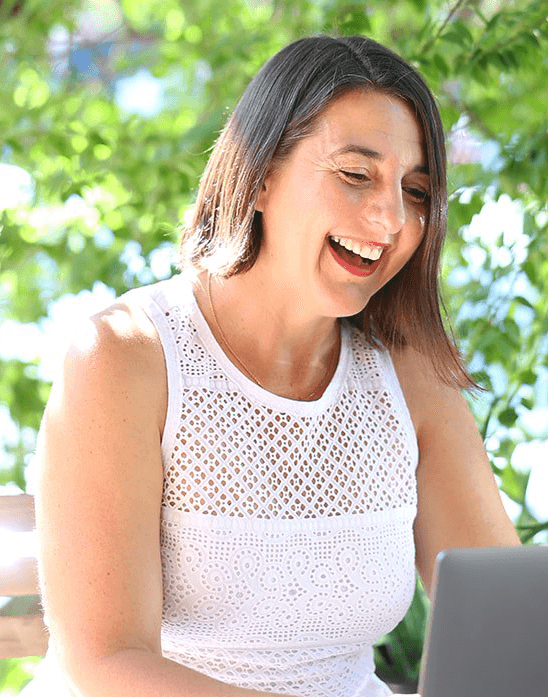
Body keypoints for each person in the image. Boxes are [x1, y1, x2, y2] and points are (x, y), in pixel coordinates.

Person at [24, 35, 520, 697]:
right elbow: (107, 660)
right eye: (355, 174)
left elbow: (513, 625)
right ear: (259, 177)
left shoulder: (411, 378)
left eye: (417, 190)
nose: (392, 216)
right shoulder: (124, 356)